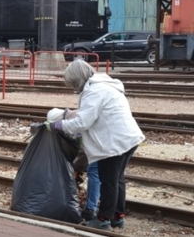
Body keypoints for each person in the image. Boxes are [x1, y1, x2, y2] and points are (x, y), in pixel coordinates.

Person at [47, 59, 144, 230]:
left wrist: (59, 125)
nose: (74, 88)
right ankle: (117, 217)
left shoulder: (94, 91)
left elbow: (82, 122)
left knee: (109, 181)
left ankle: (103, 220)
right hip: (127, 138)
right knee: (117, 179)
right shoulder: (105, 85)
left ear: (77, 79)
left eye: (73, 84)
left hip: (113, 143)